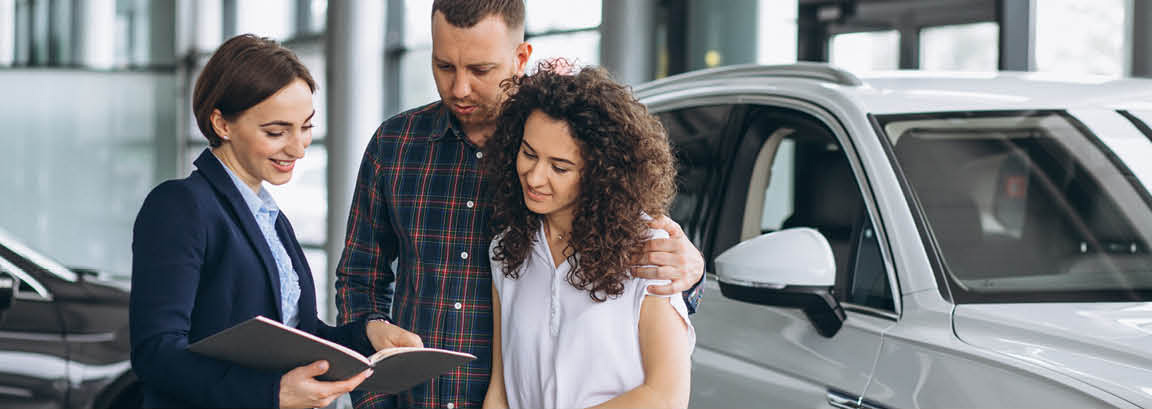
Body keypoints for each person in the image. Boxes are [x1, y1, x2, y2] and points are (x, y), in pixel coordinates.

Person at [335, 1, 706, 408]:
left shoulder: (567, 136)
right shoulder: (395, 146)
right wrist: (371, 390)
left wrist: (693, 271)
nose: (459, 88)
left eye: (480, 70)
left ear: (521, 57)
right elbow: (359, 278)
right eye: (444, 66)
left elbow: (639, 276)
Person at [129, 34, 421, 409]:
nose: (298, 147)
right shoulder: (180, 206)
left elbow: (300, 335)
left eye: (306, 126)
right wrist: (271, 394)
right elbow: (155, 353)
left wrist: (369, 335)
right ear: (222, 124)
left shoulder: (270, 219)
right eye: (276, 132)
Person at [481, 62, 694, 409]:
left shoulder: (648, 248)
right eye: (528, 154)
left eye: (559, 167)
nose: (534, 178)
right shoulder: (506, 251)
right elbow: (500, 391)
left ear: (600, 173)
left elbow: (666, 396)